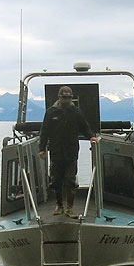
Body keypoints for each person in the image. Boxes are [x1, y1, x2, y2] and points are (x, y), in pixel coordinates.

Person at [38, 85, 98, 217]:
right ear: (59, 97)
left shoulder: (75, 111)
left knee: (70, 180)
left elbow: (84, 126)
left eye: (69, 98)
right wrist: (42, 148)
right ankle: (59, 206)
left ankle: (69, 208)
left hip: (71, 152)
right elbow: (44, 131)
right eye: (64, 97)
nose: (66, 100)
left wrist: (91, 136)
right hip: (56, 151)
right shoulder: (51, 112)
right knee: (56, 180)